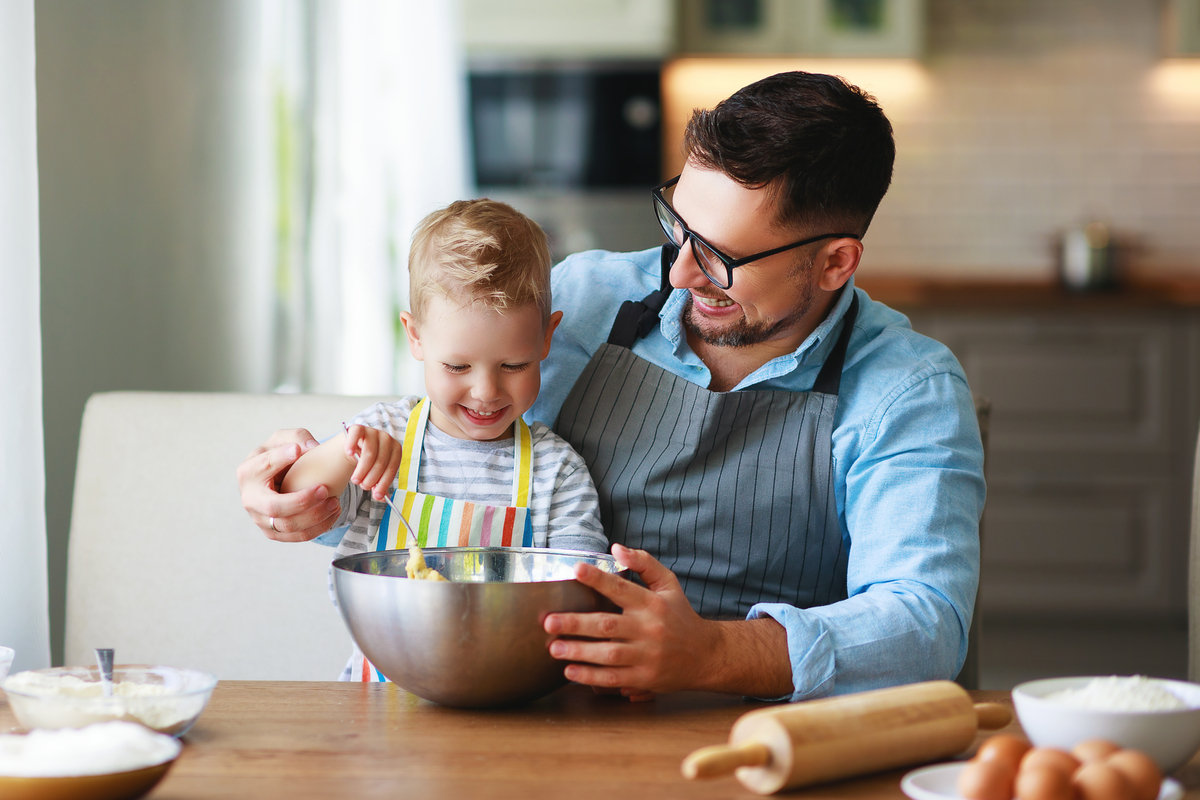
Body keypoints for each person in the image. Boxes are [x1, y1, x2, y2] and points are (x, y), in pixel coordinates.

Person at [238, 71, 984, 702]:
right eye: (678, 227)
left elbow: (925, 626)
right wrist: (314, 490)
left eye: (722, 257)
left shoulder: (905, 388)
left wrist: (714, 654)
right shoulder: (590, 298)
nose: (682, 272)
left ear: (834, 263)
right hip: (546, 707)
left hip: (746, 728)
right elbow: (464, 464)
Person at [274, 198, 608, 681]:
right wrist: (345, 452)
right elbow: (292, 495)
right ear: (415, 337)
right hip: (378, 703)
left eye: (514, 365)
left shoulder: (556, 470)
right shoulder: (381, 433)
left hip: (511, 693)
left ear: (545, 339)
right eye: (457, 366)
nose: (486, 392)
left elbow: (582, 588)